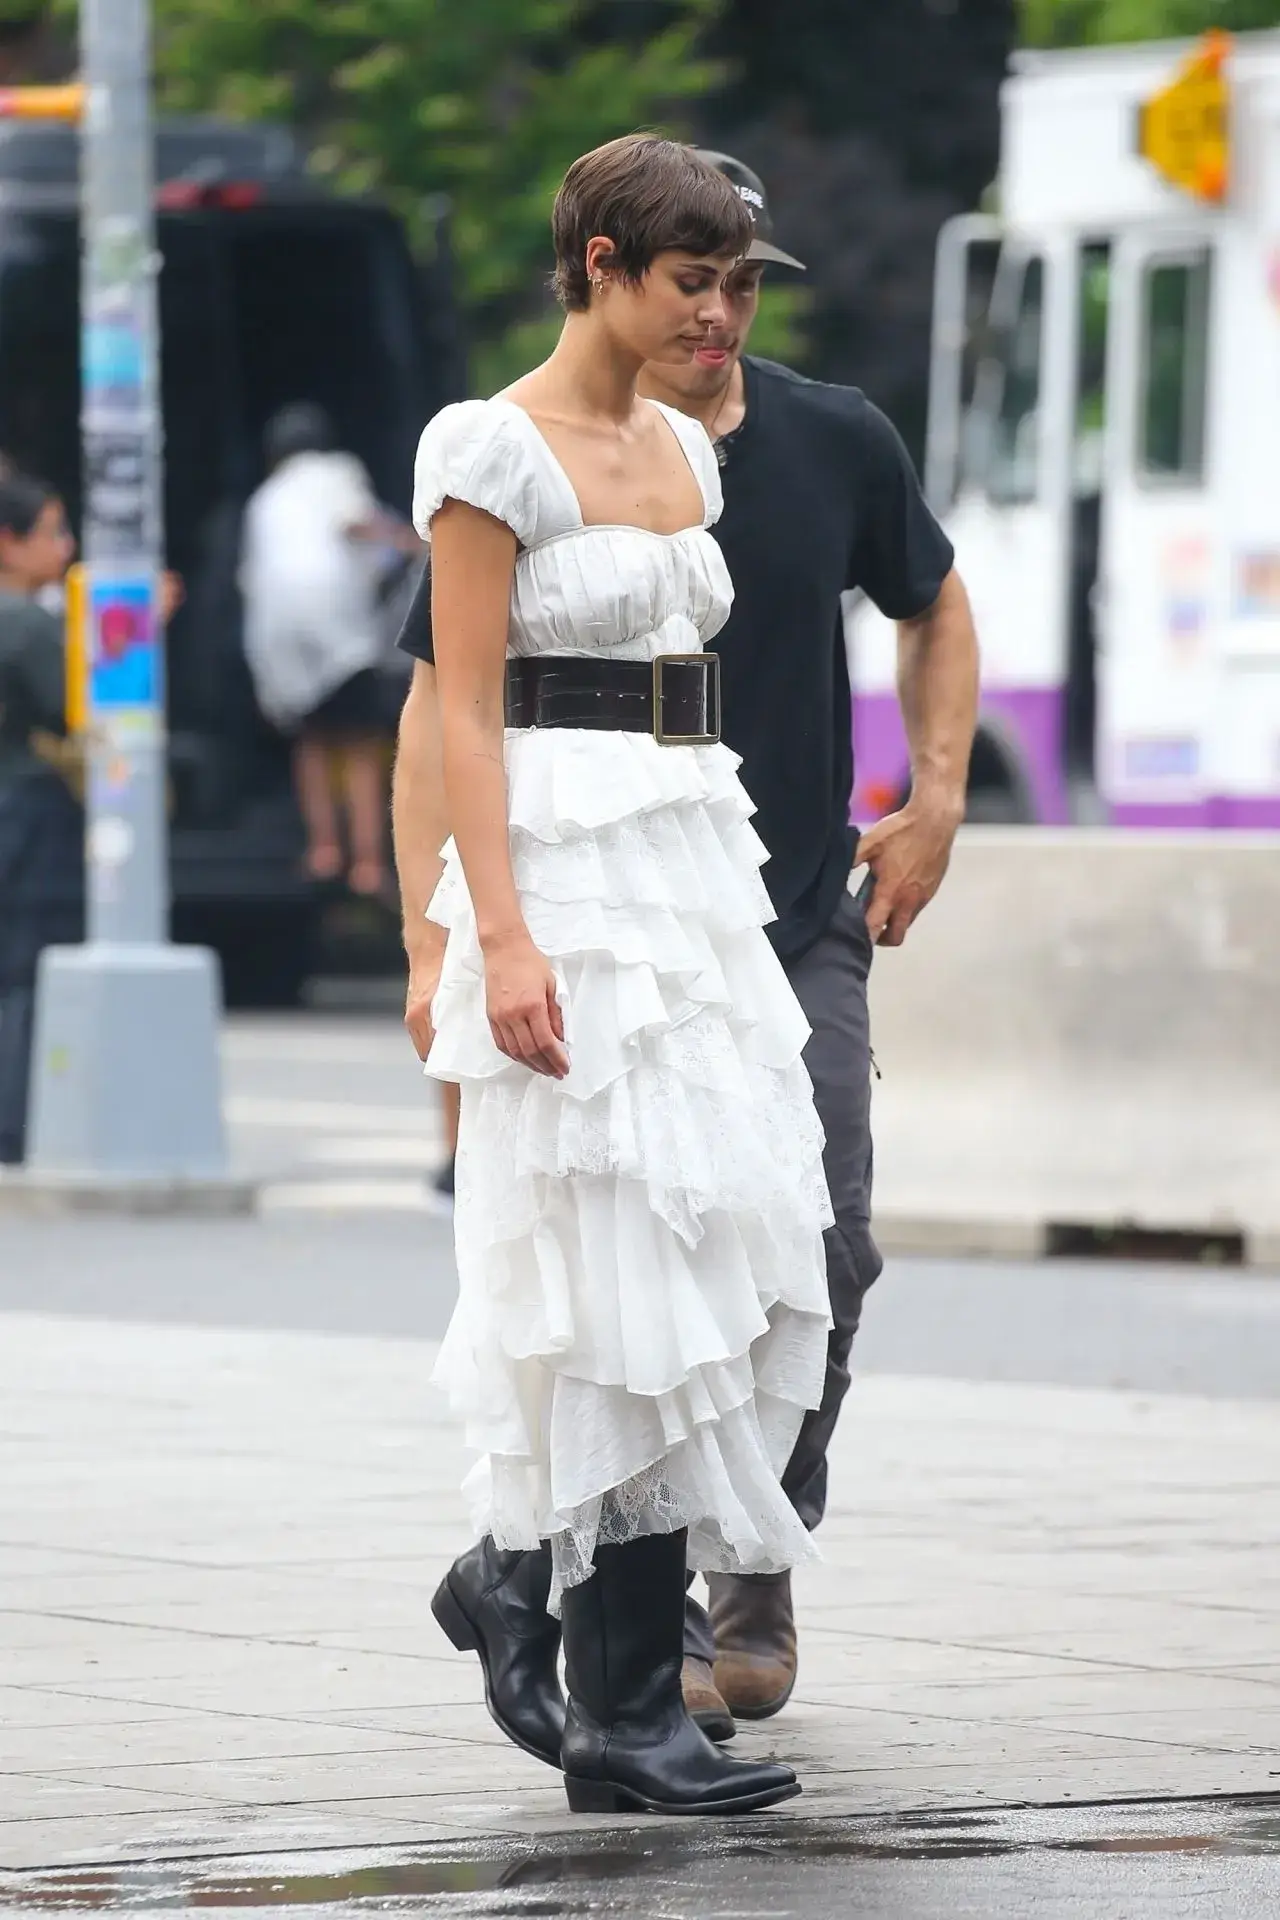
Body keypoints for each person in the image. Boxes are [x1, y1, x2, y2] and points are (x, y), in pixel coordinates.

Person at [393, 151, 979, 1742]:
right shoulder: (497, 450)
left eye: (741, 285)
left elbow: (934, 599)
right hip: (585, 898)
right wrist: (450, 935)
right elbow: (445, 707)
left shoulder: (766, 446)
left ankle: (664, 1571)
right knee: (614, 1267)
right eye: (692, 283)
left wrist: (935, 797)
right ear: (604, 266)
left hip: (742, 896)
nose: (721, 314)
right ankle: (591, 1640)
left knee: (791, 1243)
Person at [239, 403, 416, 898]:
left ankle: (323, 849)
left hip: (275, 631)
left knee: (311, 738)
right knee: (359, 743)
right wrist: (407, 541)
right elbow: (356, 523)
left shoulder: (263, 499)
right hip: (334, 623)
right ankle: (366, 862)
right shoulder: (337, 472)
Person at [0, 472, 81, 1163]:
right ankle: (14, 1121)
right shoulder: (25, 622)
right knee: (24, 971)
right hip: (25, 811)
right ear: (10, 542)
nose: (66, 545)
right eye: (52, 531)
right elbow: (77, 705)